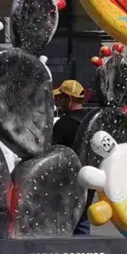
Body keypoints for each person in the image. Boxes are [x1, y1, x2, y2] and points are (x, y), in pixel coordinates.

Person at [51, 80, 92, 234]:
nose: (58, 103)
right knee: (83, 226)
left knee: (63, 229)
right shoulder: (92, 120)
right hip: (89, 182)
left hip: (66, 184)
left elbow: (54, 155)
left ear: (68, 99)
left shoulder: (63, 124)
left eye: (60, 98)